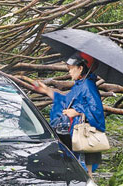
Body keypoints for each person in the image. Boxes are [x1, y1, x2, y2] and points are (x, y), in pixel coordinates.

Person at [33, 51, 105, 179]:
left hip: (83, 134)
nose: (69, 72)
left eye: (71, 69)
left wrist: (77, 111)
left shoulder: (88, 86)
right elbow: (66, 101)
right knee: (79, 167)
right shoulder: (80, 85)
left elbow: (96, 110)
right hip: (74, 132)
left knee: (82, 168)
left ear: (80, 68)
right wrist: (47, 90)